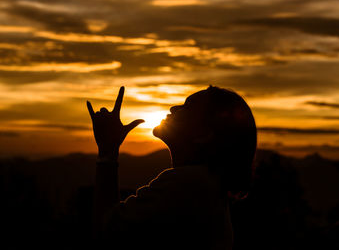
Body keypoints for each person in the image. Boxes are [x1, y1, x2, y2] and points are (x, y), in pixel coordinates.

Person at [87, 85, 257, 249]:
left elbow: (105, 230)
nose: (173, 107)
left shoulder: (188, 185)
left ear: (203, 134)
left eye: (187, 106)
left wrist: (107, 150)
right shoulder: (209, 187)